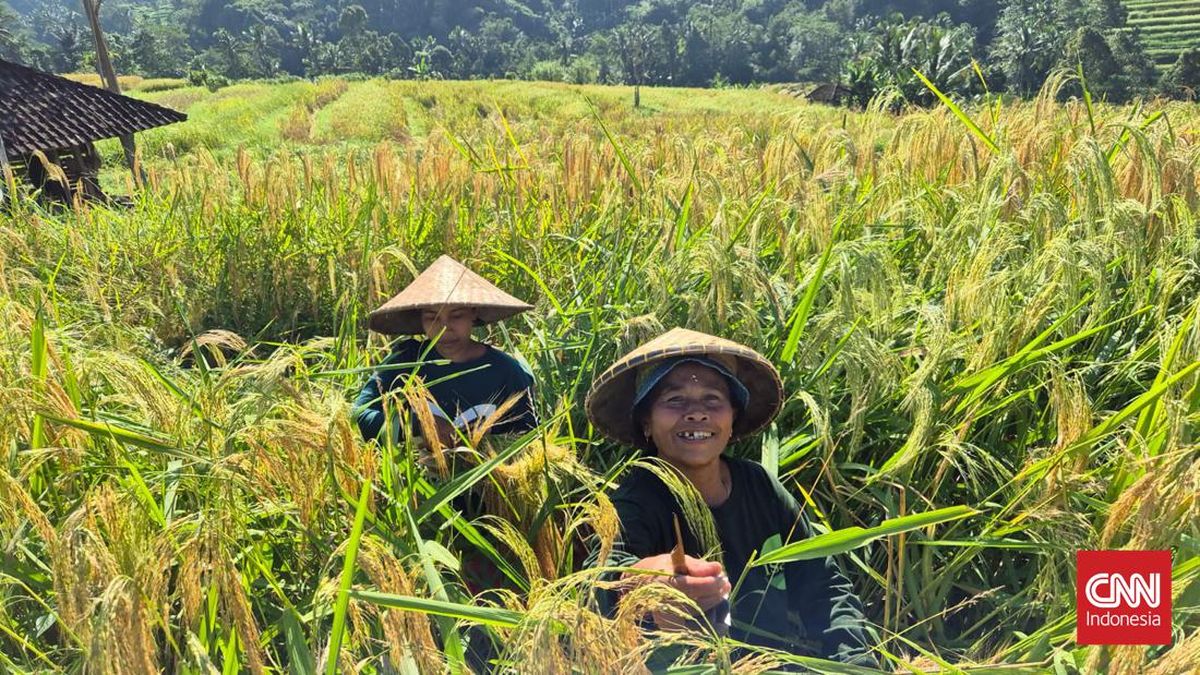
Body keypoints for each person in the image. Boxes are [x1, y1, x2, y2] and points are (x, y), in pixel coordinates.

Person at [585, 327, 877, 666]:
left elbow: (824, 586)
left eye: (712, 399)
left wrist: (856, 662)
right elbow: (597, 584)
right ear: (646, 422)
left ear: (733, 417)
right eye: (674, 400)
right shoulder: (635, 501)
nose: (696, 413)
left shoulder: (760, 486)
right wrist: (645, 582)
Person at [354, 255, 538, 448]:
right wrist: (418, 426)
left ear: (473, 313)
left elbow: (530, 436)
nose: (444, 328)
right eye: (432, 318)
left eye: (456, 316)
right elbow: (360, 415)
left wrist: (482, 439)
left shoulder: (505, 371)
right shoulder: (406, 361)